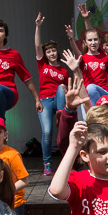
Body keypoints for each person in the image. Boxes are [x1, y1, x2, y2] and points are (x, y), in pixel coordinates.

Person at [33, 14, 70, 174]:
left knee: (62, 86)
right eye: (49, 51)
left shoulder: (63, 70)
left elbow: (67, 90)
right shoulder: (42, 65)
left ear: (57, 52)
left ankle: (60, 114)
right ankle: (47, 164)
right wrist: (38, 27)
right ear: (46, 54)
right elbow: (36, 46)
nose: (52, 53)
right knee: (47, 133)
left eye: (54, 50)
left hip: (59, 101)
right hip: (46, 101)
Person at [0, 117, 29, 208]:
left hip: (13, 203)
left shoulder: (13, 155)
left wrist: (6, 193)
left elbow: (24, 181)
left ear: (5, 134)